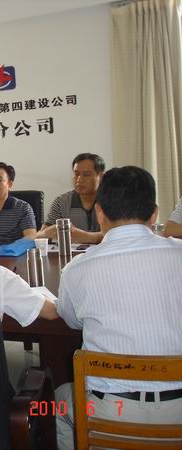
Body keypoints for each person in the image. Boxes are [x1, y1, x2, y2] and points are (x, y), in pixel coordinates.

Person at [54, 166, 182, 450]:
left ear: (99, 212)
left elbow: (72, 322)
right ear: (155, 214)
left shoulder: (77, 269)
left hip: (109, 411)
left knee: (60, 402)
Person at [38, 153, 105, 244]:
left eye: (86, 175)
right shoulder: (61, 202)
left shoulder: (111, 200)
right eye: (76, 174)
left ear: (101, 176)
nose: (79, 180)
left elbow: (117, 234)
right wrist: (46, 233)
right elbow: (40, 235)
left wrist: (85, 237)